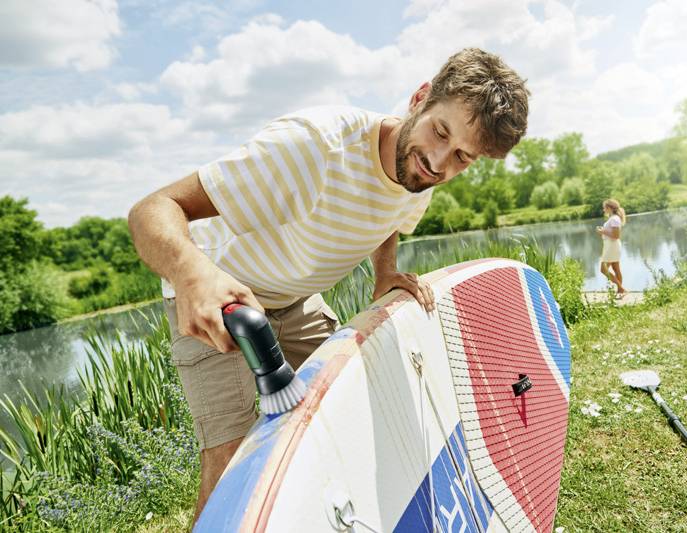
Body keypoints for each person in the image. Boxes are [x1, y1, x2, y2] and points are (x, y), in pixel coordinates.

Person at [128, 47, 529, 522]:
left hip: (296, 301)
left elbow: (391, 217)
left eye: (462, 156)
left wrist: (385, 272)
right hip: (222, 301)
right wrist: (192, 274)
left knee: (347, 413)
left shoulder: (419, 174)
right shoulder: (313, 146)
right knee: (233, 461)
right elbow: (152, 208)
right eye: (439, 132)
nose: (438, 162)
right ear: (420, 98)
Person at [595, 198, 626, 298]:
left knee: (603, 269)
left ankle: (621, 288)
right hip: (610, 245)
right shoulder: (612, 218)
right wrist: (602, 232)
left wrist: (602, 231)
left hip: (612, 246)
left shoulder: (614, 219)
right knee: (616, 268)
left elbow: (616, 235)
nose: (603, 210)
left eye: (604, 208)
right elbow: (611, 234)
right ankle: (620, 292)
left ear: (609, 208)